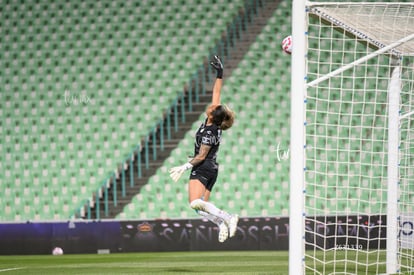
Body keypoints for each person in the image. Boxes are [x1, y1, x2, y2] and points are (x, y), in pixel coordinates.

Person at [169, 55, 238, 243]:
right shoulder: (213, 119)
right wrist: (220, 73)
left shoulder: (209, 131)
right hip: (213, 169)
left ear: (212, 116)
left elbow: (201, 155)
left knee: (194, 203)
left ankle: (227, 217)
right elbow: (216, 95)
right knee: (201, 208)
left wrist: (183, 167)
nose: (210, 106)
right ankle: (220, 223)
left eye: (212, 108)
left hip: (203, 167)